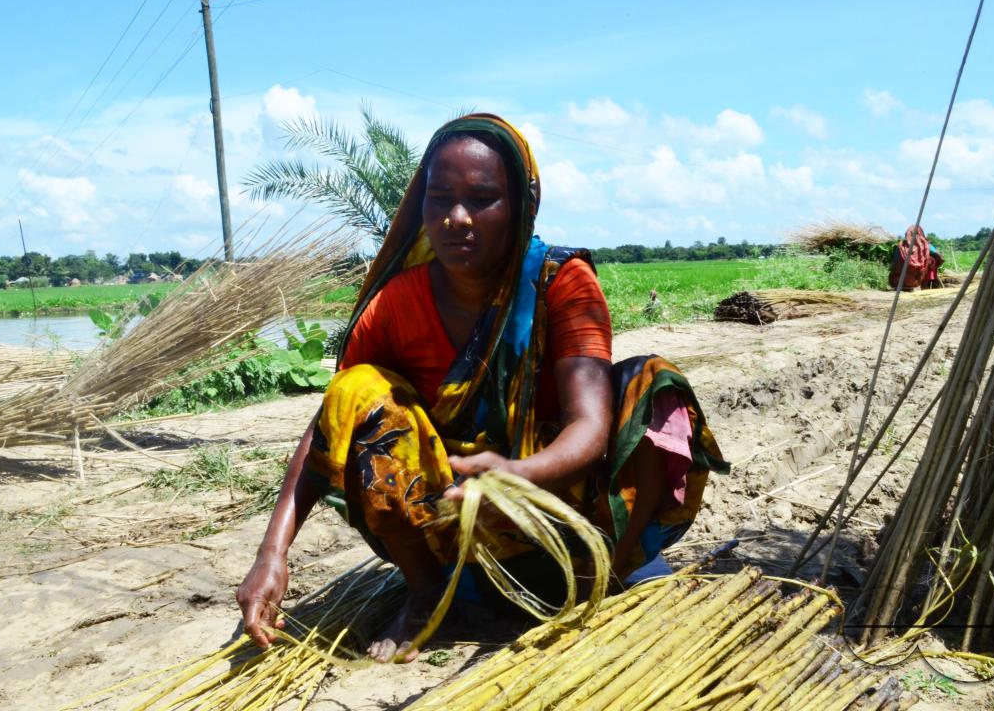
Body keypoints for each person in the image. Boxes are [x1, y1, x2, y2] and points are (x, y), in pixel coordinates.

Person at [236, 113, 729, 663]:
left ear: (523, 204)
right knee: (355, 389)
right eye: (440, 197)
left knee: (652, 385)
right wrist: (273, 551)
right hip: (452, 512)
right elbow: (332, 423)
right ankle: (429, 594)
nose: (456, 218)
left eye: (482, 198)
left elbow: (589, 426)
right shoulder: (398, 303)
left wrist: (515, 475)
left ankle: (608, 566)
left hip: (555, 499)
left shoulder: (559, 283)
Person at [889, 224, 943, 291]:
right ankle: (925, 285)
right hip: (914, 282)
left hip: (894, 281)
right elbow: (940, 258)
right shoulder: (925, 245)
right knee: (931, 260)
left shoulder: (900, 246)